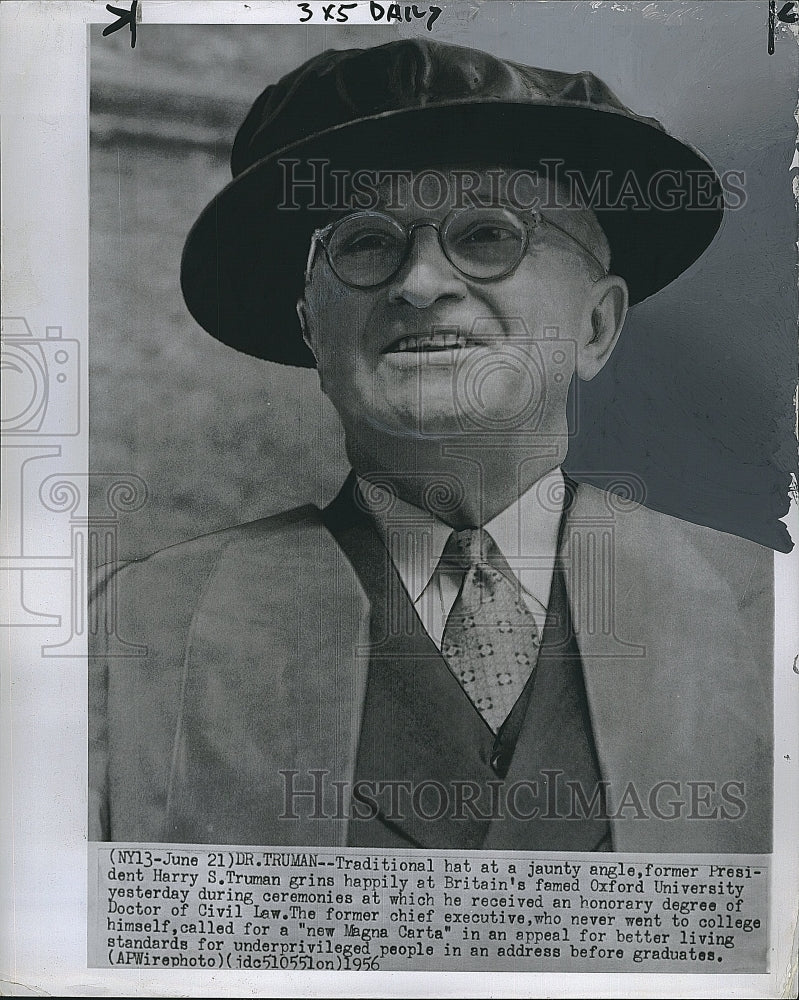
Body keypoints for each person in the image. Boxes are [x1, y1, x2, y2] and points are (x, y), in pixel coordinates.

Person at [90, 39, 772, 853]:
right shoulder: (138, 633)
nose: (418, 284)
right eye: (367, 243)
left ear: (596, 325)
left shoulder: (764, 616)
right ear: (312, 330)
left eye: (487, 234)